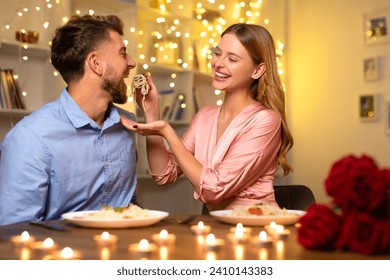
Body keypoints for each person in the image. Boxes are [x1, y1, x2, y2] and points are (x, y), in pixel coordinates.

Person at [121, 23, 294, 212]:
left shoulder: (265, 121)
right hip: (216, 227)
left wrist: (167, 132)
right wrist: (152, 112)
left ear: (257, 70)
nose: (218, 63)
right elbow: (164, 174)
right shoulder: (205, 116)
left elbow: (214, 190)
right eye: (217, 53)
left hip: (256, 226)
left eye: (232, 59)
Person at [0, 14, 138, 225]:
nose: (131, 63)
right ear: (96, 64)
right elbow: (16, 233)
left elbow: (129, 205)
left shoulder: (127, 124)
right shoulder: (30, 138)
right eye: (123, 54)